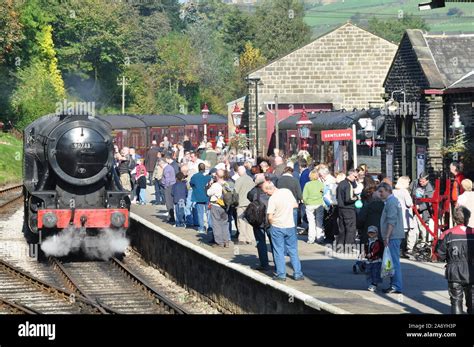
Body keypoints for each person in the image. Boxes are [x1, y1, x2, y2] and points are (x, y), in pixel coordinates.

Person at [263, 181, 304, 282]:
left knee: (278, 251)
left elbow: (270, 216)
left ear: (269, 189)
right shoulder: (287, 192)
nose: (266, 194)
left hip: (277, 226)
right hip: (290, 225)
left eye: (266, 192)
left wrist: (272, 224)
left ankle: (281, 275)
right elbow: (295, 205)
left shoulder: (273, 199)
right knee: (293, 250)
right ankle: (298, 274)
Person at [436, 206, 474, 314]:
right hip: (472, 270)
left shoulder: (447, 234)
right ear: (468, 218)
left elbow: (440, 253)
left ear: (455, 219)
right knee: (472, 301)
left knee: (456, 301)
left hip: (454, 272)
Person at [378, 182, 405, 294]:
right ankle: (394, 284)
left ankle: (396, 285)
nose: (380, 194)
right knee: (392, 261)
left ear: (388, 190)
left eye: (381, 192)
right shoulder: (390, 201)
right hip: (393, 236)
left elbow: (391, 221)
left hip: (393, 236)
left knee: (393, 261)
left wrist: (387, 236)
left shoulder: (391, 202)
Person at [247, 174, 273, 271]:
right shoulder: (272, 189)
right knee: (274, 243)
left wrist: (256, 185)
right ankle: (278, 264)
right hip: (270, 219)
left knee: (260, 242)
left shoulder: (254, 192)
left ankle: (264, 264)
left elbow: (248, 196)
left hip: (258, 219)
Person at [336, 169, 358, 252]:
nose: (356, 178)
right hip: (348, 209)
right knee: (350, 228)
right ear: (350, 175)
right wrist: (356, 198)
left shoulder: (341, 183)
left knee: (342, 228)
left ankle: (339, 247)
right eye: (355, 176)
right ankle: (349, 247)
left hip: (340, 208)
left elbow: (338, 196)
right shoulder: (348, 185)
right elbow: (348, 199)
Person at [393, 176, 416, 257]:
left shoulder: (394, 191)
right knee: (404, 235)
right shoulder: (405, 191)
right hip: (405, 215)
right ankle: (402, 251)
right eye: (408, 182)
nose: (409, 184)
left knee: (397, 234)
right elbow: (409, 203)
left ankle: (397, 250)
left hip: (396, 215)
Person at [207, 169, 229, 247]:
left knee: (216, 224)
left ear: (217, 176)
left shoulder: (215, 185)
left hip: (216, 206)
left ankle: (219, 242)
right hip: (225, 206)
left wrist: (210, 185)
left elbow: (208, 193)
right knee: (225, 224)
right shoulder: (227, 184)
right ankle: (226, 241)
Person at [234, 166, 255, 245]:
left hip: (241, 203)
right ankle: (249, 238)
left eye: (238, 171)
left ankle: (242, 238)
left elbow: (235, 192)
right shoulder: (251, 179)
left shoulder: (239, 180)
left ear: (240, 172)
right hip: (249, 203)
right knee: (249, 221)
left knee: (241, 221)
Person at [303, 169, 325, 244]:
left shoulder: (307, 184)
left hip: (309, 204)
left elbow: (304, 196)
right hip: (319, 203)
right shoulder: (320, 184)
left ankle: (311, 238)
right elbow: (322, 193)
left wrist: (306, 203)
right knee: (319, 222)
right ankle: (320, 238)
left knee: (311, 222)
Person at [410, 172, 434, 243]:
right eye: (420, 181)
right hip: (413, 208)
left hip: (422, 211)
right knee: (413, 229)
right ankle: (411, 245)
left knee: (422, 228)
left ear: (427, 181)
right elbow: (409, 191)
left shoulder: (429, 188)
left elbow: (429, 201)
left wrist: (419, 207)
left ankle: (424, 243)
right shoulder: (415, 183)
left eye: (423, 181)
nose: (421, 183)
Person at [190, 163, 212, 233]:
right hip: (207, 197)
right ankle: (210, 228)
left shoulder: (194, 176)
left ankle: (201, 228)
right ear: (204, 169)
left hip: (198, 197)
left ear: (198, 168)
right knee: (209, 213)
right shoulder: (208, 177)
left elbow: (191, 184)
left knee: (200, 213)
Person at [364, 226, 383, 292]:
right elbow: (366, 248)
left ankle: (374, 284)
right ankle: (372, 283)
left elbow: (377, 250)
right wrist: (364, 253)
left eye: (373, 233)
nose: (371, 234)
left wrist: (371, 254)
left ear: (376, 233)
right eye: (370, 233)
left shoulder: (377, 242)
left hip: (376, 260)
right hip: (370, 260)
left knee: (375, 272)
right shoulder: (368, 241)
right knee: (369, 272)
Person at [160, 158, 176, 223]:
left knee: (168, 202)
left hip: (168, 187)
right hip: (172, 185)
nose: (160, 166)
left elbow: (167, 179)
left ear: (161, 163)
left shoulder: (166, 169)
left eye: (159, 165)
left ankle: (171, 217)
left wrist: (165, 186)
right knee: (170, 202)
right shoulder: (170, 167)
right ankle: (170, 216)